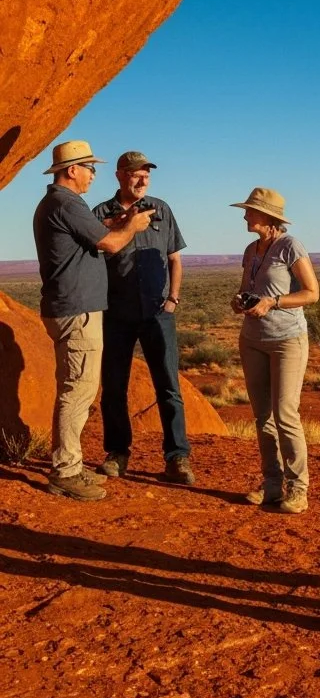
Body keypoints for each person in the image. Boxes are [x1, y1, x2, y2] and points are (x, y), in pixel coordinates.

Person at [32, 140, 154, 501]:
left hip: (69, 306)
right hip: (77, 309)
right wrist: (132, 225)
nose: (93, 175)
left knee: (75, 385)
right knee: (78, 389)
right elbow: (112, 245)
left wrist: (113, 222)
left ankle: (70, 463)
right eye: (89, 168)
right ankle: (66, 472)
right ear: (72, 170)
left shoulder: (58, 203)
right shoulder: (66, 202)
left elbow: (91, 235)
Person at [92, 151, 194, 484]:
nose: (143, 179)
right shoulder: (99, 214)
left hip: (157, 313)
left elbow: (175, 259)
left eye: (147, 175)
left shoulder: (161, 209)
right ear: (120, 175)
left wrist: (173, 300)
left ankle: (177, 457)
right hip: (116, 314)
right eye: (136, 174)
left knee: (168, 385)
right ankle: (117, 453)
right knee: (114, 387)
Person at [231, 188, 319, 515]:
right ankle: (271, 484)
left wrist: (273, 302)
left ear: (268, 217)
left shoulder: (290, 246)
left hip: (287, 340)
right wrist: (240, 301)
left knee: (285, 414)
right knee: (262, 416)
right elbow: (246, 288)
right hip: (252, 338)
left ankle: (298, 489)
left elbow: (312, 293)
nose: (245, 216)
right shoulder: (251, 249)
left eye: (250, 211)